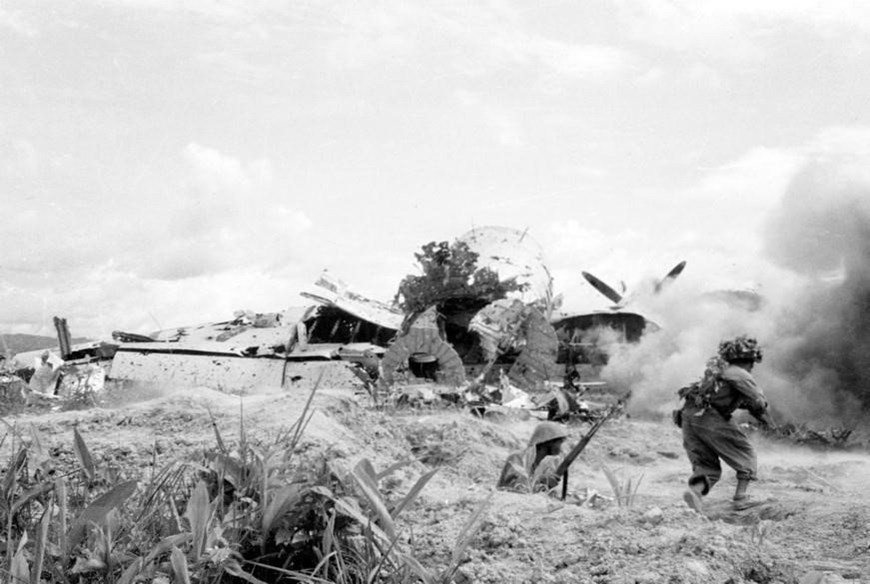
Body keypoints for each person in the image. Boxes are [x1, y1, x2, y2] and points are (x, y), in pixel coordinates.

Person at [676, 335, 772, 512]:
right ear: (750, 360)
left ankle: (695, 494)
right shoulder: (740, 374)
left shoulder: (718, 372)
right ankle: (741, 498)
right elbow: (757, 402)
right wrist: (767, 421)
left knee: (707, 465)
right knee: (745, 452)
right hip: (709, 417)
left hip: (688, 417)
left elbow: (723, 398)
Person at [497, 422, 568, 493]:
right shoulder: (516, 458)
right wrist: (540, 481)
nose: (561, 448)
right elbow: (511, 488)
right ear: (549, 442)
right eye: (560, 442)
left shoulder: (549, 465)